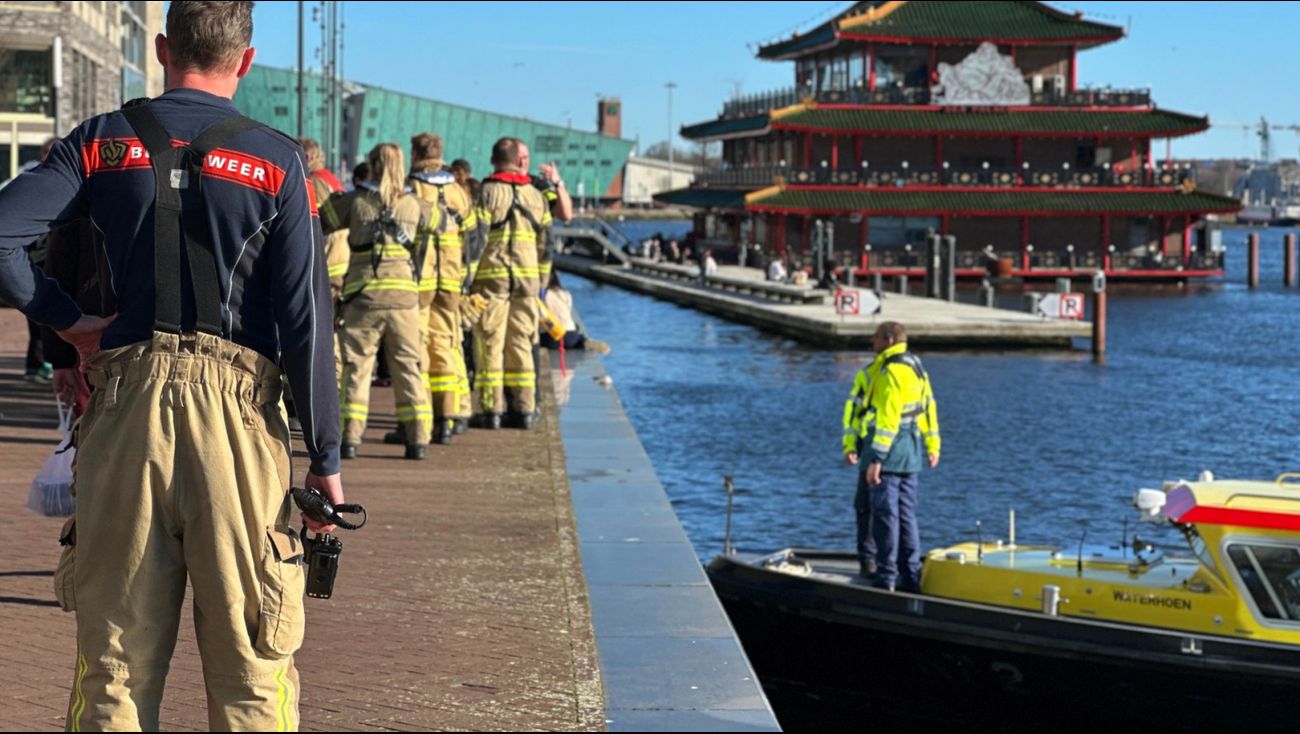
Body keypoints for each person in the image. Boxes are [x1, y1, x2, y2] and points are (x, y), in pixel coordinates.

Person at [0, 2, 342, 729]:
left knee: (114, 668)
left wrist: (68, 323)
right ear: (245, 61)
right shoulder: (277, 160)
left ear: (161, 48)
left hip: (126, 406)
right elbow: (306, 321)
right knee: (254, 665)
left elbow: (4, 236)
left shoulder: (98, 144)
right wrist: (326, 457)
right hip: (240, 420)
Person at [327, 142, 432, 459]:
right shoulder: (415, 205)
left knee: (357, 369)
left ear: (372, 165)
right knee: (408, 368)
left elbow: (323, 218)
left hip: (364, 297)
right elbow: (446, 223)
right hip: (404, 300)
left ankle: (350, 439)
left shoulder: (356, 201)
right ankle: (417, 442)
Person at [847, 322, 940, 593]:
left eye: (875, 338)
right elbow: (928, 408)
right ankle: (910, 575)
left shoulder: (890, 371)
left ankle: (886, 576)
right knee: (907, 515)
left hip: (890, 453)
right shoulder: (916, 366)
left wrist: (876, 458)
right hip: (911, 452)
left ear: (888, 340)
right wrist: (933, 445)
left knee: (886, 515)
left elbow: (888, 420)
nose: (872, 342)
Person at [470, 137, 552, 430]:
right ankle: (525, 409)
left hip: (493, 281)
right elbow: (547, 245)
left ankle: (492, 410)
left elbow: (475, 242)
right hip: (529, 283)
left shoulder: (486, 193)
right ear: (519, 161)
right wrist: (542, 281)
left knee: (490, 344)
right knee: (521, 343)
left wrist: (467, 281)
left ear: (494, 160)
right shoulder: (537, 197)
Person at [405, 131, 476, 445]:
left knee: (418, 349)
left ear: (417, 155)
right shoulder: (458, 191)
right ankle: (449, 418)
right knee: (447, 345)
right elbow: (471, 234)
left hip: (419, 279)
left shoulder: (412, 187)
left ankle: (422, 422)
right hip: (450, 280)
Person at [540, 272, 609, 354]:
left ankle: (542, 349)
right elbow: (568, 314)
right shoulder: (565, 293)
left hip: (551, 338)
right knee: (578, 337)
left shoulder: (540, 296)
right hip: (571, 335)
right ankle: (585, 342)